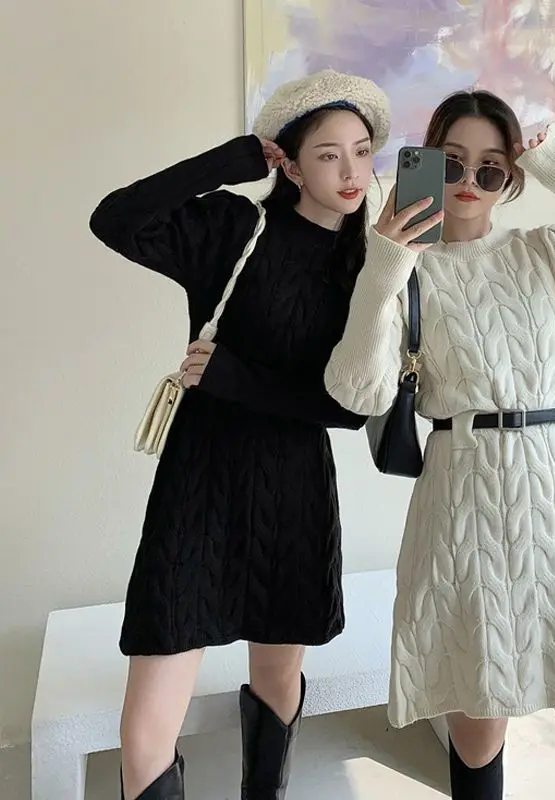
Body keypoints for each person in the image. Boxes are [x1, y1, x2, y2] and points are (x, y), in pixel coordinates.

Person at [324, 89, 555, 800]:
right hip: (463, 512)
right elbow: (356, 392)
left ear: (514, 177)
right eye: (452, 162)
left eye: (492, 168)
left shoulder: (553, 254)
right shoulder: (402, 270)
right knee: (476, 739)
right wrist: (385, 261)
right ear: (424, 162)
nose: (470, 181)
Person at [88, 69, 390, 800]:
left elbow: (353, 408)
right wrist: (231, 159)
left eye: (361, 151)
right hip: (200, 483)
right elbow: (115, 219)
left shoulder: (370, 266)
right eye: (327, 154)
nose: (351, 171)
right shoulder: (233, 230)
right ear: (291, 165)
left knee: (278, 677)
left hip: (293, 490)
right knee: (147, 723)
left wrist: (235, 378)